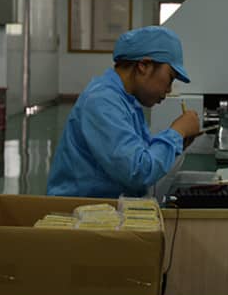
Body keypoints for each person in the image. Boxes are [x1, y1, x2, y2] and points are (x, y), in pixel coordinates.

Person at [47, 26, 200, 198]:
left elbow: (140, 154)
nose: (169, 89)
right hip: (80, 210)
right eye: (170, 78)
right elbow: (138, 171)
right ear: (144, 65)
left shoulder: (127, 101)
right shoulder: (102, 102)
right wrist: (177, 132)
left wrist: (177, 143)